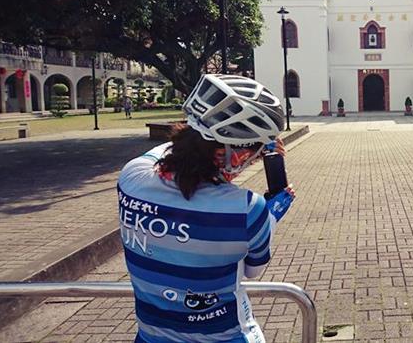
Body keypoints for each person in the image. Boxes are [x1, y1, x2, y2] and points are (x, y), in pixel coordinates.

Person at [117, 74, 295, 343]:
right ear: (234, 155)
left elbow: (171, 150)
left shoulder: (131, 177)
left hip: (151, 336)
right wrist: (269, 217)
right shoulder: (247, 208)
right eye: (254, 152)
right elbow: (251, 271)